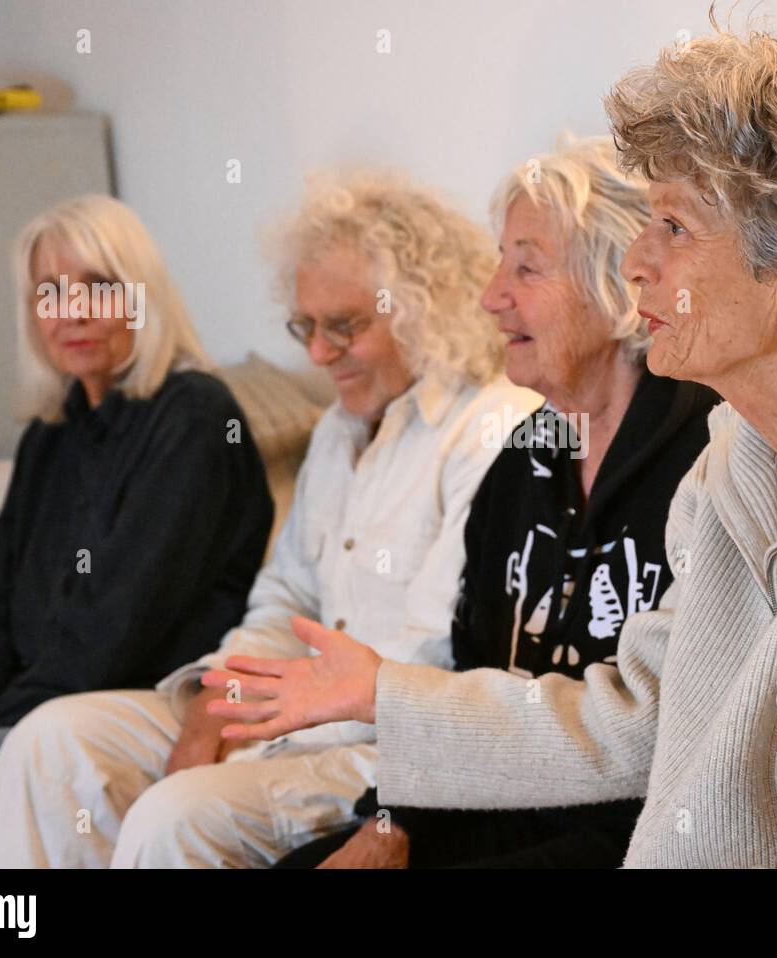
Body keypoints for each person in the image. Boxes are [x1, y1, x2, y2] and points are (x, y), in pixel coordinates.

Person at [205, 32, 777, 868]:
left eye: (675, 228)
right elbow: (638, 715)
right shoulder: (743, 462)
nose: (636, 262)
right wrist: (388, 698)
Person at [0, 173, 540, 868]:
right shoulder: (339, 428)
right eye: (306, 326)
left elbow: (435, 655)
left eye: (344, 326)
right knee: (51, 737)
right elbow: (286, 597)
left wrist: (274, 718)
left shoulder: (489, 433)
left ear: (424, 311)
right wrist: (222, 696)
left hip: (372, 745)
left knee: (176, 816)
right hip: (277, 711)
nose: (318, 354)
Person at [273, 137, 719, 868]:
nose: (491, 295)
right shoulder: (520, 458)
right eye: (499, 260)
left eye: (527, 266)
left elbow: (668, 742)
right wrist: (391, 823)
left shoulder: (705, 458)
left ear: (617, 288)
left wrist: (381, 691)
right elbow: (467, 671)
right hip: (499, 804)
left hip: (633, 832)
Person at [0, 194, 273, 868]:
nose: (72, 312)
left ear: (139, 296)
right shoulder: (53, 432)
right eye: (49, 292)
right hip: (32, 703)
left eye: (97, 286)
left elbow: (113, 633)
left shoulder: (194, 419)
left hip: (124, 708)